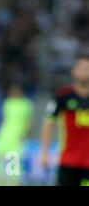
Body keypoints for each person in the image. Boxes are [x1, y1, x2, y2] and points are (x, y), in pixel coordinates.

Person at [39, 53, 89, 186]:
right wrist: (44, 151)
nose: (85, 71)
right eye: (82, 68)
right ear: (73, 72)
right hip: (68, 160)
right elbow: (48, 123)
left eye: (88, 68)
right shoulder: (62, 96)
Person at [0, 83, 34, 185]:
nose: (14, 92)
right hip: (4, 134)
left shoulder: (26, 104)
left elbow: (28, 121)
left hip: (17, 135)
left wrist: (25, 134)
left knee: (13, 158)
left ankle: (13, 181)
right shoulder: (8, 102)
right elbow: (5, 119)